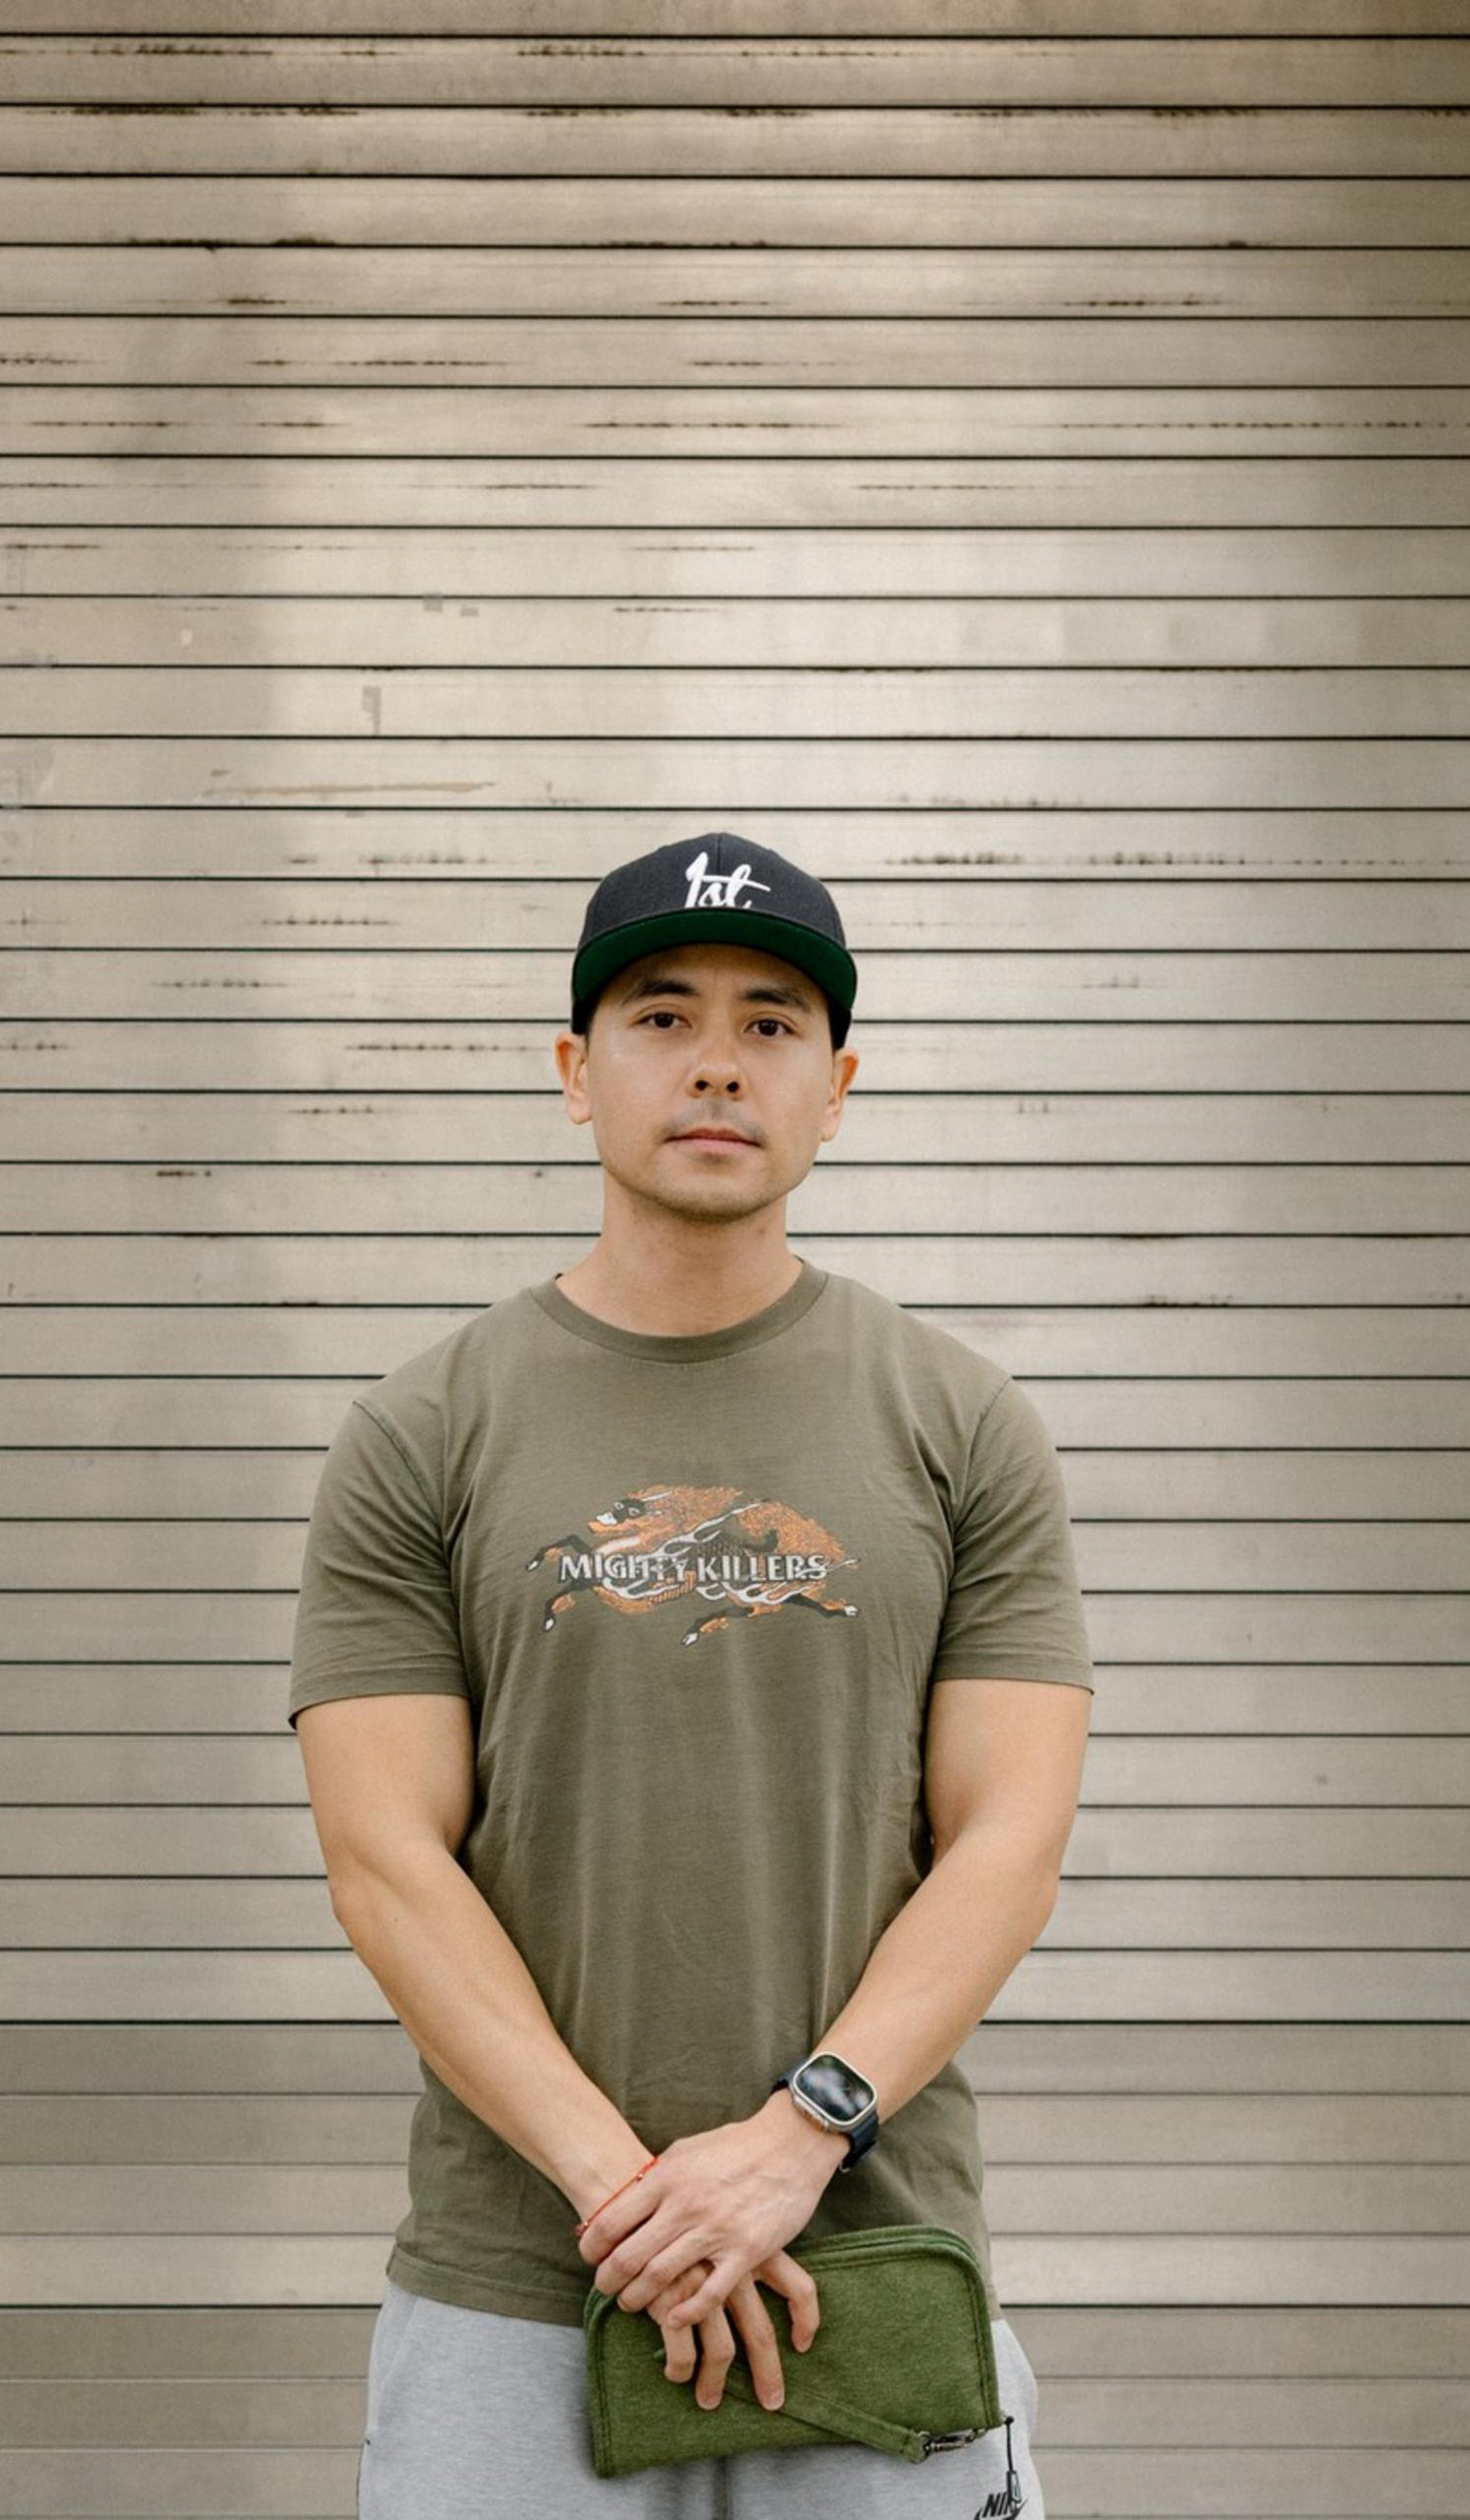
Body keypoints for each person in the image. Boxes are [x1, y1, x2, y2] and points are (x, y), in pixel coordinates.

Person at [288, 832, 1095, 2518]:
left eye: (772, 1020)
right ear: (576, 1074)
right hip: (517, 2288)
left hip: (871, 2267)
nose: (718, 1059)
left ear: (836, 1085)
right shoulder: (425, 1428)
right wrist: (635, 2198)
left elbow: (1007, 1842)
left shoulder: (955, 1422)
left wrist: (798, 2141)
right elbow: (383, 1857)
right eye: (661, 1016)